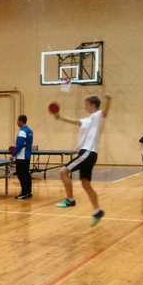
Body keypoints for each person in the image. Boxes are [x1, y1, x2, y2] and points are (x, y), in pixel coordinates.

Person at [52, 93, 112, 226]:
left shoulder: (99, 115)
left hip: (88, 152)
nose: (85, 107)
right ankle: (97, 211)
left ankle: (70, 200)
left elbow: (106, 111)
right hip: (88, 154)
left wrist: (108, 99)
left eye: (86, 105)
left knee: (63, 172)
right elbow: (73, 121)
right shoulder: (86, 120)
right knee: (85, 183)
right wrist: (59, 117)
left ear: (93, 105)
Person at [9, 115, 34, 199]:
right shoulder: (29, 131)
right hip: (27, 155)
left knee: (21, 174)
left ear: (20, 121)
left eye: (17, 121)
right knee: (26, 174)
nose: (17, 122)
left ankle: (24, 192)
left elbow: (19, 145)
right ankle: (28, 192)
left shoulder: (22, 132)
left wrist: (13, 154)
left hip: (21, 156)